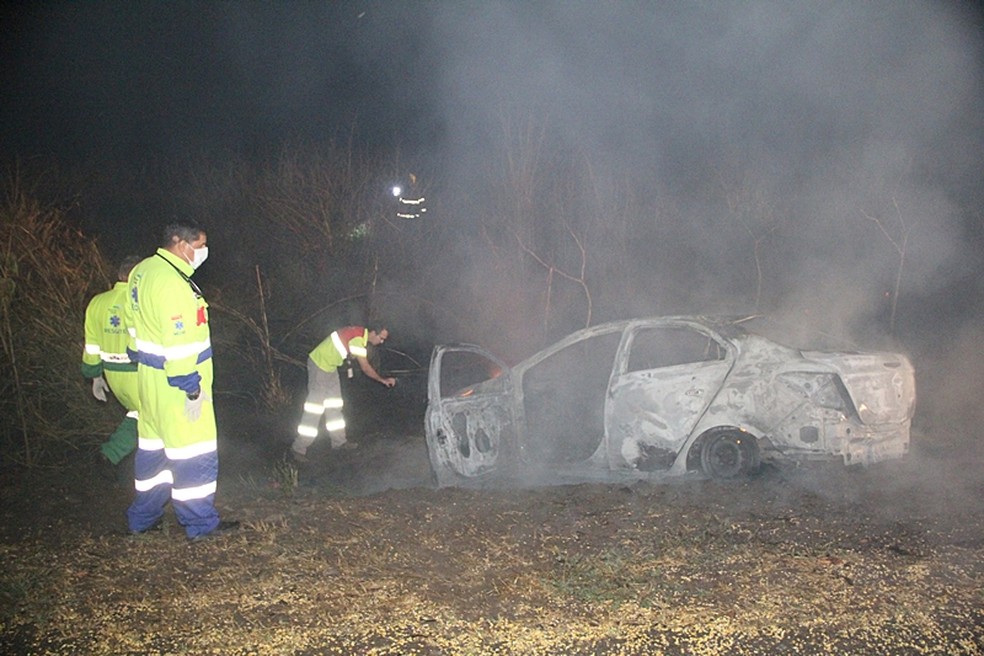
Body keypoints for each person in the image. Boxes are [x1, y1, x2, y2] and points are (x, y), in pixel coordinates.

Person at [123, 220, 237, 541]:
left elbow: (134, 326)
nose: (203, 252)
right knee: (193, 454)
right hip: (178, 385)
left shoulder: (141, 272)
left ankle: (142, 518)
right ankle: (200, 524)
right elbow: (181, 341)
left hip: (149, 382)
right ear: (181, 243)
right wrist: (190, 386)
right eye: (199, 246)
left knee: (154, 454)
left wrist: (139, 358)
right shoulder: (174, 283)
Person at [291, 325, 396, 461]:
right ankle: (298, 448)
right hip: (319, 365)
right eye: (381, 338)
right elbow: (365, 367)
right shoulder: (358, 339)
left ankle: (339, 443)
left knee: (335, 405)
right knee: (314, 408)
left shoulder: (358, 333)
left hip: (330, 367)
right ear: (373, 332)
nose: (381, 342)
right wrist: (383, 380)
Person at [82, 255, 143, 477]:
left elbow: (91, 346)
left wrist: (94, 376)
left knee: (139, 415)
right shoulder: (140, 301)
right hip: (140, 373)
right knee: (159, 421)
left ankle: (109, 454)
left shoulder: (97, 303)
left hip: (113, 378)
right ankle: (154, 475)